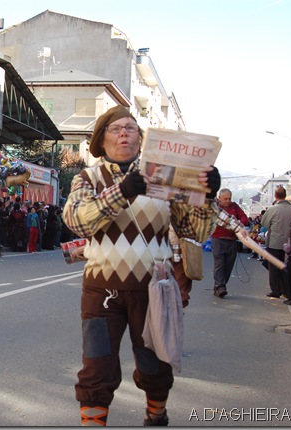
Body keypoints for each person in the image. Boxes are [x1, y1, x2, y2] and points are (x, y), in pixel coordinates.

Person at [62, 106, 219, 426]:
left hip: (154, 286)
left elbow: (196, 232)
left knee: (154, 363)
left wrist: (207, 195)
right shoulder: (88, 178)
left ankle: (156, 415)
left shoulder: (164, 177)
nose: (123, 133)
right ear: (101, 140)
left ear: (140, 138)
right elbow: (77, 221)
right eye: (115, 128)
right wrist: (121, 192)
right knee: (97, 365)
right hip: (101, 289)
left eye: (131, 128)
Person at [211, 188, 248, 298]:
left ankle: (219, 285)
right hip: (218, 240)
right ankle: (220, 286)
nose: (227, 201)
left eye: (229, 199)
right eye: (225, 199)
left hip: (231, 240)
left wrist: (240, 223)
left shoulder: (235, 206)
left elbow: (244, 217)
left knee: (228, 265)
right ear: (219, 198)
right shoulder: (215, 208)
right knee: (219, 264)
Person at [261, 186, 291, 299]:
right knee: (286, 267)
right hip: (289, 243)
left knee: (273, 267)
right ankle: (286, 290)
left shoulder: (273, 209)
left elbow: (264, 223)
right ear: (285, 195)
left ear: (276, 196)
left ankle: (276, 290)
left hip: (274, 242)